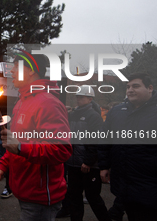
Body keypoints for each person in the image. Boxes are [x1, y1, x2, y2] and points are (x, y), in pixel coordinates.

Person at [0, 53, 72, 221]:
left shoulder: (48, 103)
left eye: (16, 67)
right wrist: (3, 165)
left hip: (41, 196)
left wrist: (21, 147)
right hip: (23, 190)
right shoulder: (22, 101)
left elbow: (61, 149)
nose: (11, 72)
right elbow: (15, 141)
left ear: (30, 71)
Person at [98, 72, 157, 221]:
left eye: (135, 86)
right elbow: (105, 140)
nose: (130, 90)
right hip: (124, 183)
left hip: (150, 187)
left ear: (150, 88)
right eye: (128, 87)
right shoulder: (117, 112)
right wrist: (104, 166)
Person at [64, 85, 110, 221]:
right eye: (77, 97)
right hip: (73, 164)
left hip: (87, 166)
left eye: (82, 97)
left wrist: (88, 161)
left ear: (90, 99)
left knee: (93, 197)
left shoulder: (94, 116)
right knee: (74, 196)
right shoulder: (72, 114)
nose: (78, 99)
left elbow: (95, 140)